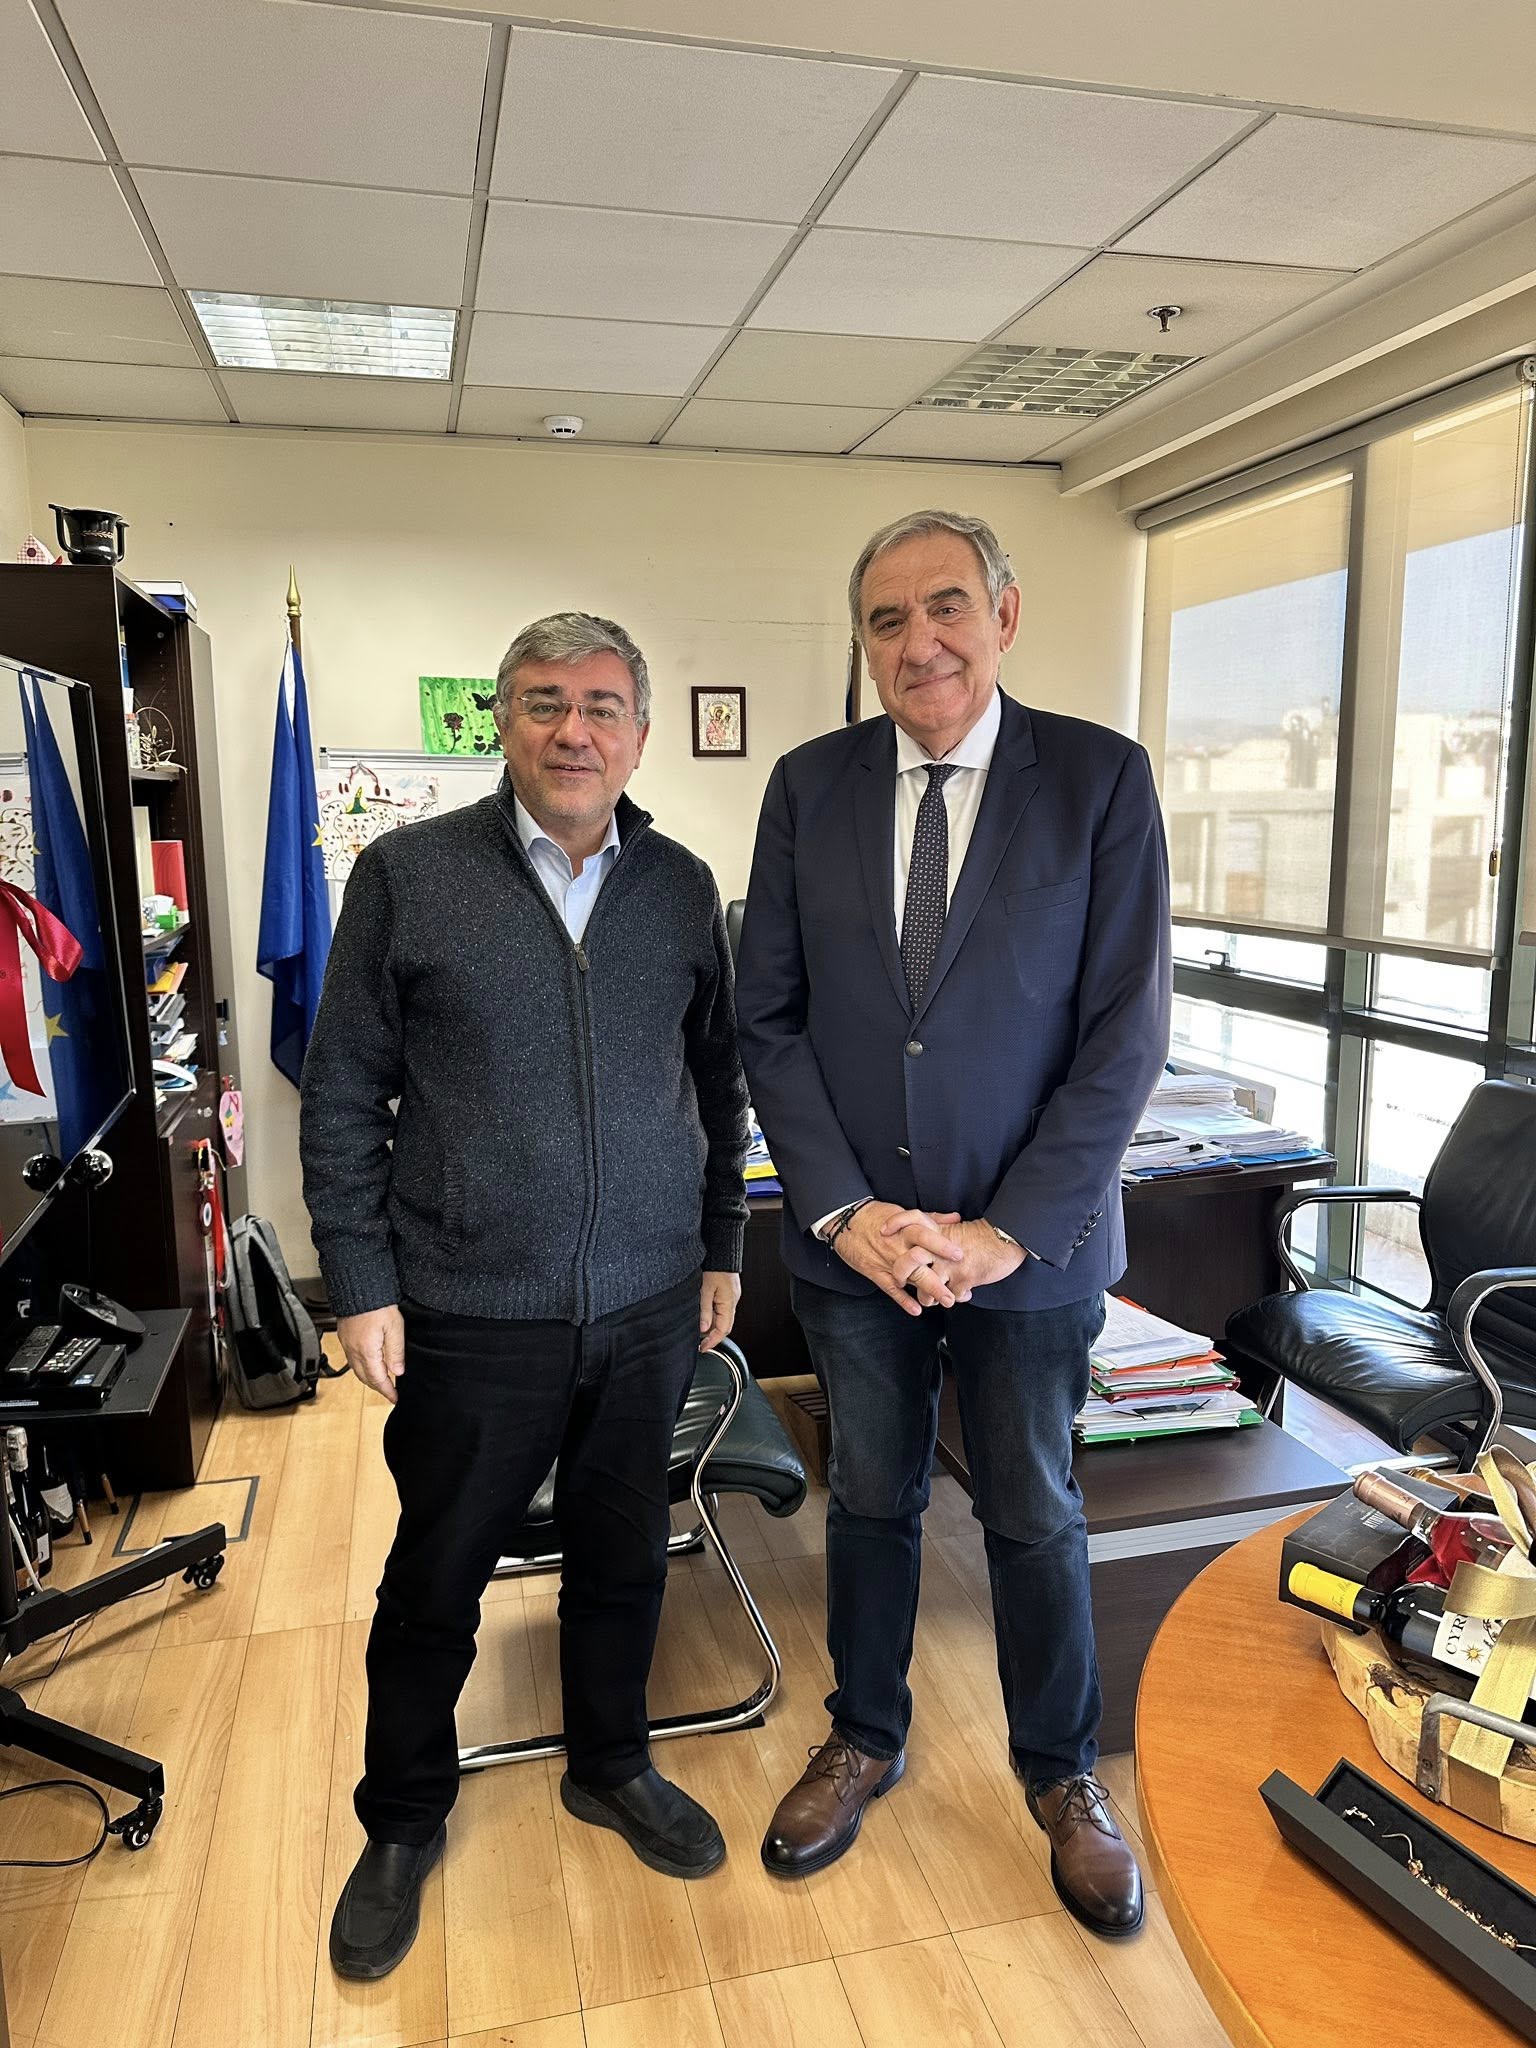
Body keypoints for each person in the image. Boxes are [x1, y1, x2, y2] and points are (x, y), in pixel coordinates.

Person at [735, 510, 1170, 1938]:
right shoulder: (808, 787)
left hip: (1029, 1254)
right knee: (872, 1495)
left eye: (945, 608)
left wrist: (1005, 1232)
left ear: (1004, 616)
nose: (917, 642)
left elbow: (1124, 1033)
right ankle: (863, 1734)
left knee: (1035, 1507)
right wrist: (846, 1211)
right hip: (857, 1249)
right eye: (885, 620)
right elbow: (769, 1017)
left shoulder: (1098, 780)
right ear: (863, 643)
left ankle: (1062, 1775)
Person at [300, 612, 749, 1981]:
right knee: (438, 1575)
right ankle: (402, 1817)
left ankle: (610, 1762)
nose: (574, 730)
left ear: (640, 734)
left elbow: (716, 1082)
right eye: (545, 702)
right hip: (469, 1306)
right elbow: (341, 1089)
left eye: (603, 706)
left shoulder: (680, 887)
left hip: (648, 1301)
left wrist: (721, 1243)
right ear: (502, 722)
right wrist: (361, 1282)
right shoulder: (409, 876)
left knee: (625, 1558)